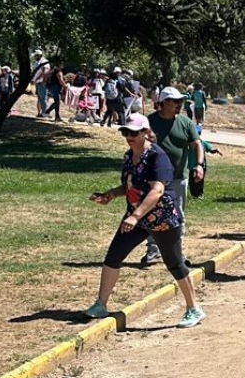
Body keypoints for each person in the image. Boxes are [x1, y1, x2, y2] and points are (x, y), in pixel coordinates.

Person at [83, 113, 205, 328]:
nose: (129, 136)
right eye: (125, 132)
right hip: (136, 216)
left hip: (162, 218)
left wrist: (134, 216)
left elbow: (157, 191)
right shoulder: (129, 156)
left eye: (134, 132)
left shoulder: (158, 157)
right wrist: (110, 195)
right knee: (113, 256)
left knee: (175, 263)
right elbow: (130, 186)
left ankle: (194, 309)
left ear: (146, 133)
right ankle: (101, 304)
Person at [141, 87, 205, 265]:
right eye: (176, 101)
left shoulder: (185, 122)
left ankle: (177, 253)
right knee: (151, 213)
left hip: (178, 178)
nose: (180, 105)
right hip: (153, 179)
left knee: (178, 216)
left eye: (181, 101)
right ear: (163, 103)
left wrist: (199, 165)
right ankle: (153, 250)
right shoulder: (149, 122)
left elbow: (197, 145)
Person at [30, 49, 51, 117]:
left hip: (42, 82)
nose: (35, 57)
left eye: (36, 56)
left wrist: (36, 79)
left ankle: (45, 113)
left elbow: (44, 73)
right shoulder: (37, 63)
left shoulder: (44, 62)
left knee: (43, 98)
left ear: (39, 55)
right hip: (38, 82)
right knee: (40, 98)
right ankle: (42, 112)